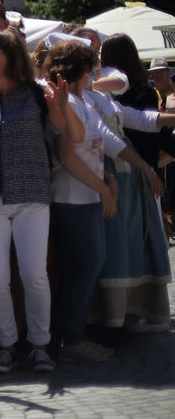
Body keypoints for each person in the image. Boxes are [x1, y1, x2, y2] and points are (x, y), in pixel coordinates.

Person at [0, 28, 83, 375]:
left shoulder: (36, 93)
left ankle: (40, 345)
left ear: (11, 56)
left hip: (31, 196)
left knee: (34, 274)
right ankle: (5, 346)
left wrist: (63, 107)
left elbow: (74, 136)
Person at [40, 41, 151, 362]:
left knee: (88, 266)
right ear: (80, 69)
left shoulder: (81, 100)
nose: (95, 73)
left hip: (86, 195)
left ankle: (73, 334)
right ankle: (72, 338)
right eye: (91, 67)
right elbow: (68, 156)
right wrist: (104, 189)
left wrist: (107, 182)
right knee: (85, 266)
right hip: (71, 197)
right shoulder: (62, 102)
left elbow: (101, 141)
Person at [94, 34, 172, 332]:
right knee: (124, 244)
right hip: (118, 173)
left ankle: (133, 311)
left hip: (131, 173)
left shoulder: (109, 88)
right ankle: (118, 313)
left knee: (137, 242)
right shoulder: (97, 92)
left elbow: (137, 119)